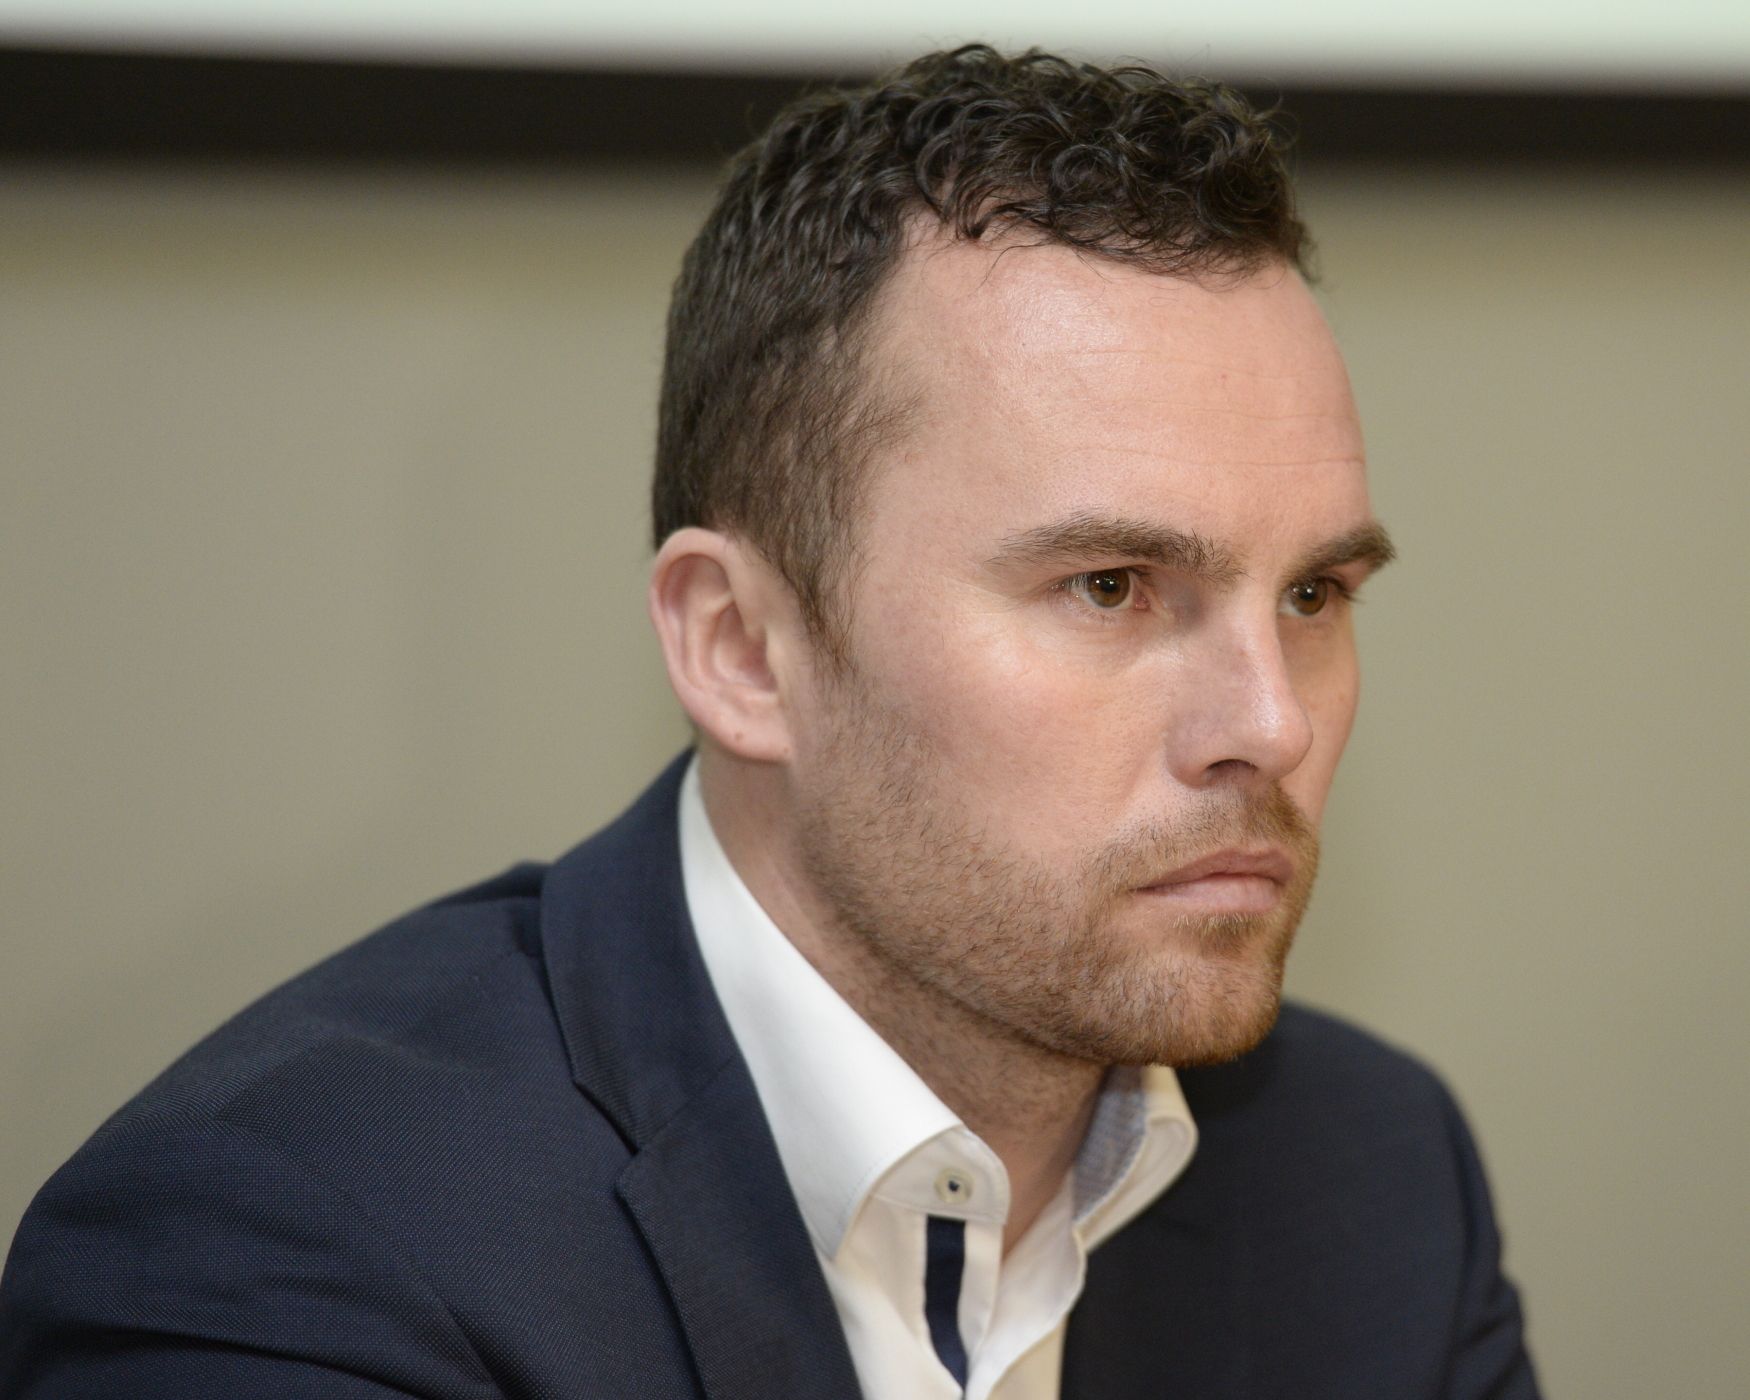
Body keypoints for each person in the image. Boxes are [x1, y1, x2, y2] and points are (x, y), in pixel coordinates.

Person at [0, 45, 1539, 1400]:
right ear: (741, 648)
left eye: (1314, 594)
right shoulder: (294, 1244)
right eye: (1109, 588)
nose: (1268, 723)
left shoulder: (1369, 1177)